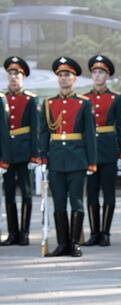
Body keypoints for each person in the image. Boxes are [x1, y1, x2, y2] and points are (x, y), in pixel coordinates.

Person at [39, 57, 97, 257]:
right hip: (56, 159)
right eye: (61, 75)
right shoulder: (49, 103)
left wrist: (91, 161)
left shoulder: (83, 103)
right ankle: (62, 243)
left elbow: (89, 134)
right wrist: (43, 159)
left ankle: (74, 243)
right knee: (59, 203)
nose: (64, 79)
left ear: (74, 79)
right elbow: (44, 133)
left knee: (77, 202)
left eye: (68, 75)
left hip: (77, 159)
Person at [82, 55, 121, 246]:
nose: (97, 75)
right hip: (90, 151)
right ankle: (94, 232)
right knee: (91, 193)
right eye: (95, 72)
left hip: (109, 150)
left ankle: (105, 233)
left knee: (108, 193)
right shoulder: (84, 99)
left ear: (107, 76)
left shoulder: (116, 98)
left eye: (101, 72)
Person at [0, 56, 39, 246]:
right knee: (8, 193)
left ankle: (24, 232)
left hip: (24, 152)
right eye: (11, 74)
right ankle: (12, 233)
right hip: (6, 153)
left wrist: (35, 155)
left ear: (23, 77)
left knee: (25, 193)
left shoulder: (30, 99)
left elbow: (35, 129)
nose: (14, 78)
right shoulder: (2, 98)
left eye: (17, 74)